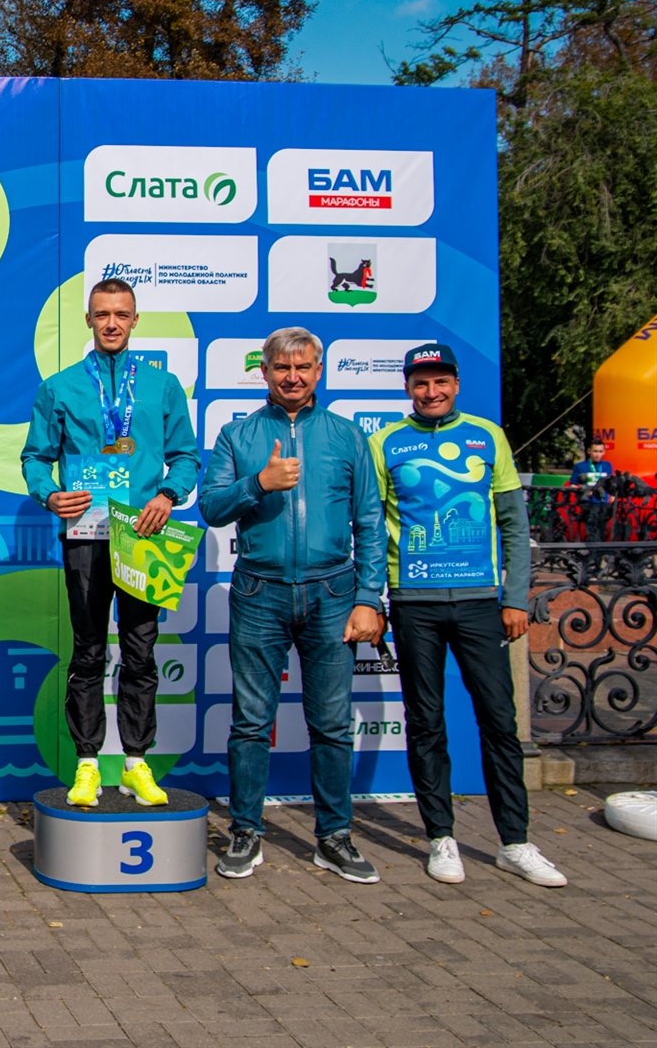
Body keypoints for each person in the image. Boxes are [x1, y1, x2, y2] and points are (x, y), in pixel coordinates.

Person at [371, 344, 566, 888]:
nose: (431, 391)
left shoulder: (487, 435)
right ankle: (441, 837)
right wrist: (374, 598)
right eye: (420, 383)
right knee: (425, 723)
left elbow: (515, 525)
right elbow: (372, 527)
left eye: (440, 382)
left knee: (499, 722)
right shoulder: (385, 443)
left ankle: (515, 842)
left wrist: (515, 598)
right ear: (408, 387)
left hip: (482, 603)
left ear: (456, 384)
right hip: (414, 602)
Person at [200, 327, 386, 884]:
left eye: (303, 367)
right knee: (251, 722)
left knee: (331, 724)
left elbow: (370, 522)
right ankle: (246, 830)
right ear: (264, 372)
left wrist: (368, 599)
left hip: (334, 594)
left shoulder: (347, 435)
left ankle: (334, 836)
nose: (293, 377)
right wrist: (259, 482)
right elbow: (211, 507)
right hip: (260, 592)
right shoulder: (238, 435)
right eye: (282, 367)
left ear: (319, 371)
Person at [21, 277, 200, 807]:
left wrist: (167, 495)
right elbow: (35, 457)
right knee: (88, 650)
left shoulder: (162, 386)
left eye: (121, 314)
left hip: (142, 536)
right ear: (89, 321)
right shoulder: (60, 388)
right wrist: (49, 494)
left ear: (135, 320)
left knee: (141, 651)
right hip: (85, 536)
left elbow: (186, 457)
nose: (112, 323)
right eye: (102, 314)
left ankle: (137, 763)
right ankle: (87, 764)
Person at [565, 437, 616, 541]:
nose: (598, 454)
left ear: (604, 452)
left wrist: (612, 495)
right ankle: (594, 549)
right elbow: (573, 485)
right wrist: (583, 490)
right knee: (592, 530)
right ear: (589, 451)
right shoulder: (580, 466)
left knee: (603, 530)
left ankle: (599, 549)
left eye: (600, 451)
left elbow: (611, 483)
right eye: (595, 451)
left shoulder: (607, 465)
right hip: (588, 504)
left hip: (604, 503)